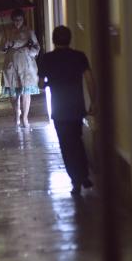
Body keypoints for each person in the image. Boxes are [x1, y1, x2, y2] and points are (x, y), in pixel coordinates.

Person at [38, 25, 96, 195]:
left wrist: (50, 83)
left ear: (54, 40)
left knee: (66, 145)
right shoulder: (79, 57)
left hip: (59, 109)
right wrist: (94, 101)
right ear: (70, 39)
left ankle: (76, 180)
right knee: (77, 141)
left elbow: (40, 84)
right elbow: (90, 79)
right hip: (77, 107)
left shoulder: (47, 59)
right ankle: (83, 175)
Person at [0, 9, 40, 127]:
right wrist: (5, 46)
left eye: (20, 20)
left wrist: (29, 52)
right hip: (11, 64)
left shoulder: (28, 31)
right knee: (13, 93)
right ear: (12, 20)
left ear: (23, 19)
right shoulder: (7, 32)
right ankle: (16, 112)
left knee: (26, 92)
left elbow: (37, 47)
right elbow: (1, 48)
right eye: (15, 20)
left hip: (25, 65)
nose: (17, 22)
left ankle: (25, 118)